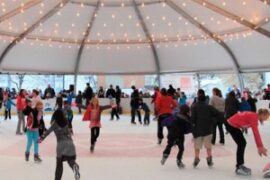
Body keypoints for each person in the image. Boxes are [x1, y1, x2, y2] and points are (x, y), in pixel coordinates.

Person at [225, 109, 269, 176]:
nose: (266, 119)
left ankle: (240, 165)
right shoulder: (254, 117)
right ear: (263, 114)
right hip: (231, 125)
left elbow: (242, 118)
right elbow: (256, 133)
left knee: (242, 143)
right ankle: (239, 167)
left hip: (232, 124)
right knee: (242, 143)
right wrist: (260, 146)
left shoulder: (254, 115)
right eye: (266, 117)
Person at [39, 109, 80, 180]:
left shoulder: (54, 124)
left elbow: (47, 132)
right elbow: (69, 131)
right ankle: (74, 166)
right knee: (70, 159)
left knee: (59, 164)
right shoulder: (66, 122)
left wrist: (41, 139)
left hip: (61, 145)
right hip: (70, 143)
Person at [191, 89, 220, 168]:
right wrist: (212, 121)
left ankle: (196, 158)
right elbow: (217, 114)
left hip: (197, 130)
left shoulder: (194, 106)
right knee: (208, 146)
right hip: (208, 129)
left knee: (197, 146)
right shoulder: (209, 107)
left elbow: (192, 119)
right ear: (205, 99)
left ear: (197, 98)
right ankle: (209, 159)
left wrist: (192, 128)